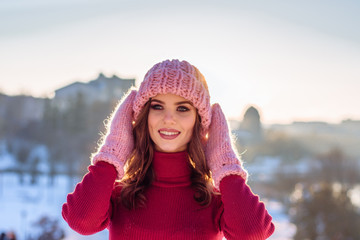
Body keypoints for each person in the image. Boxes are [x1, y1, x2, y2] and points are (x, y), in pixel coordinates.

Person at [62, 59, 275, 239]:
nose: (168, 119)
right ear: (145, 116)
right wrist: (112, 153)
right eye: (157, 106)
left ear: (198, 121)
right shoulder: (120, 194)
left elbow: (253, 232)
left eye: (182, 108)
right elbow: (81, 221)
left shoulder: (216, 199)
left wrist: (225, 165)